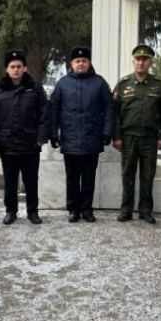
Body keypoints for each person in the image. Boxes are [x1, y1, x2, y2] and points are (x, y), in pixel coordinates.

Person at [49, 46, 113, 222]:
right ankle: (73, 209)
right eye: (77, 61)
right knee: (71, 177)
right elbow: (53, 109)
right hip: (69, 139)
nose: (81, 64)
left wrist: (107, 132)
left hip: (92, 138)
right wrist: (53, 133)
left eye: (84, 61)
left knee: (89, 177)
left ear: (89, 62)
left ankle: (86, 209)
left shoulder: (99, 83)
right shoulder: (62, 84)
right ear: (71, 63)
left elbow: (109, 107)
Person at [0, 49, 49, 225]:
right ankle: (11, 211)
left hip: (30, 144)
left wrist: (41, 137)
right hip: (7, 145)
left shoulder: (35, 88)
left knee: (31, 181)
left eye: (19, 66)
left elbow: (44, 114)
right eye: (12, 66)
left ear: (25, 68)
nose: (16, 69)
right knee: (10, 181)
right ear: (7, 69)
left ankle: (32, 212)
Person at [112, 44, 161, 223]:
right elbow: (114, 114)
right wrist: (117, 137)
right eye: (138, 59)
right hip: (128, 137)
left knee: (148, 175)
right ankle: (126, 209)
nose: (141, 63)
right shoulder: (122, 85)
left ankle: (145, 210)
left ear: (150, 62)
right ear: (133, 62)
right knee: (127, 174)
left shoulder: (158, 85)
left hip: (149, 138)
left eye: (145, 60)